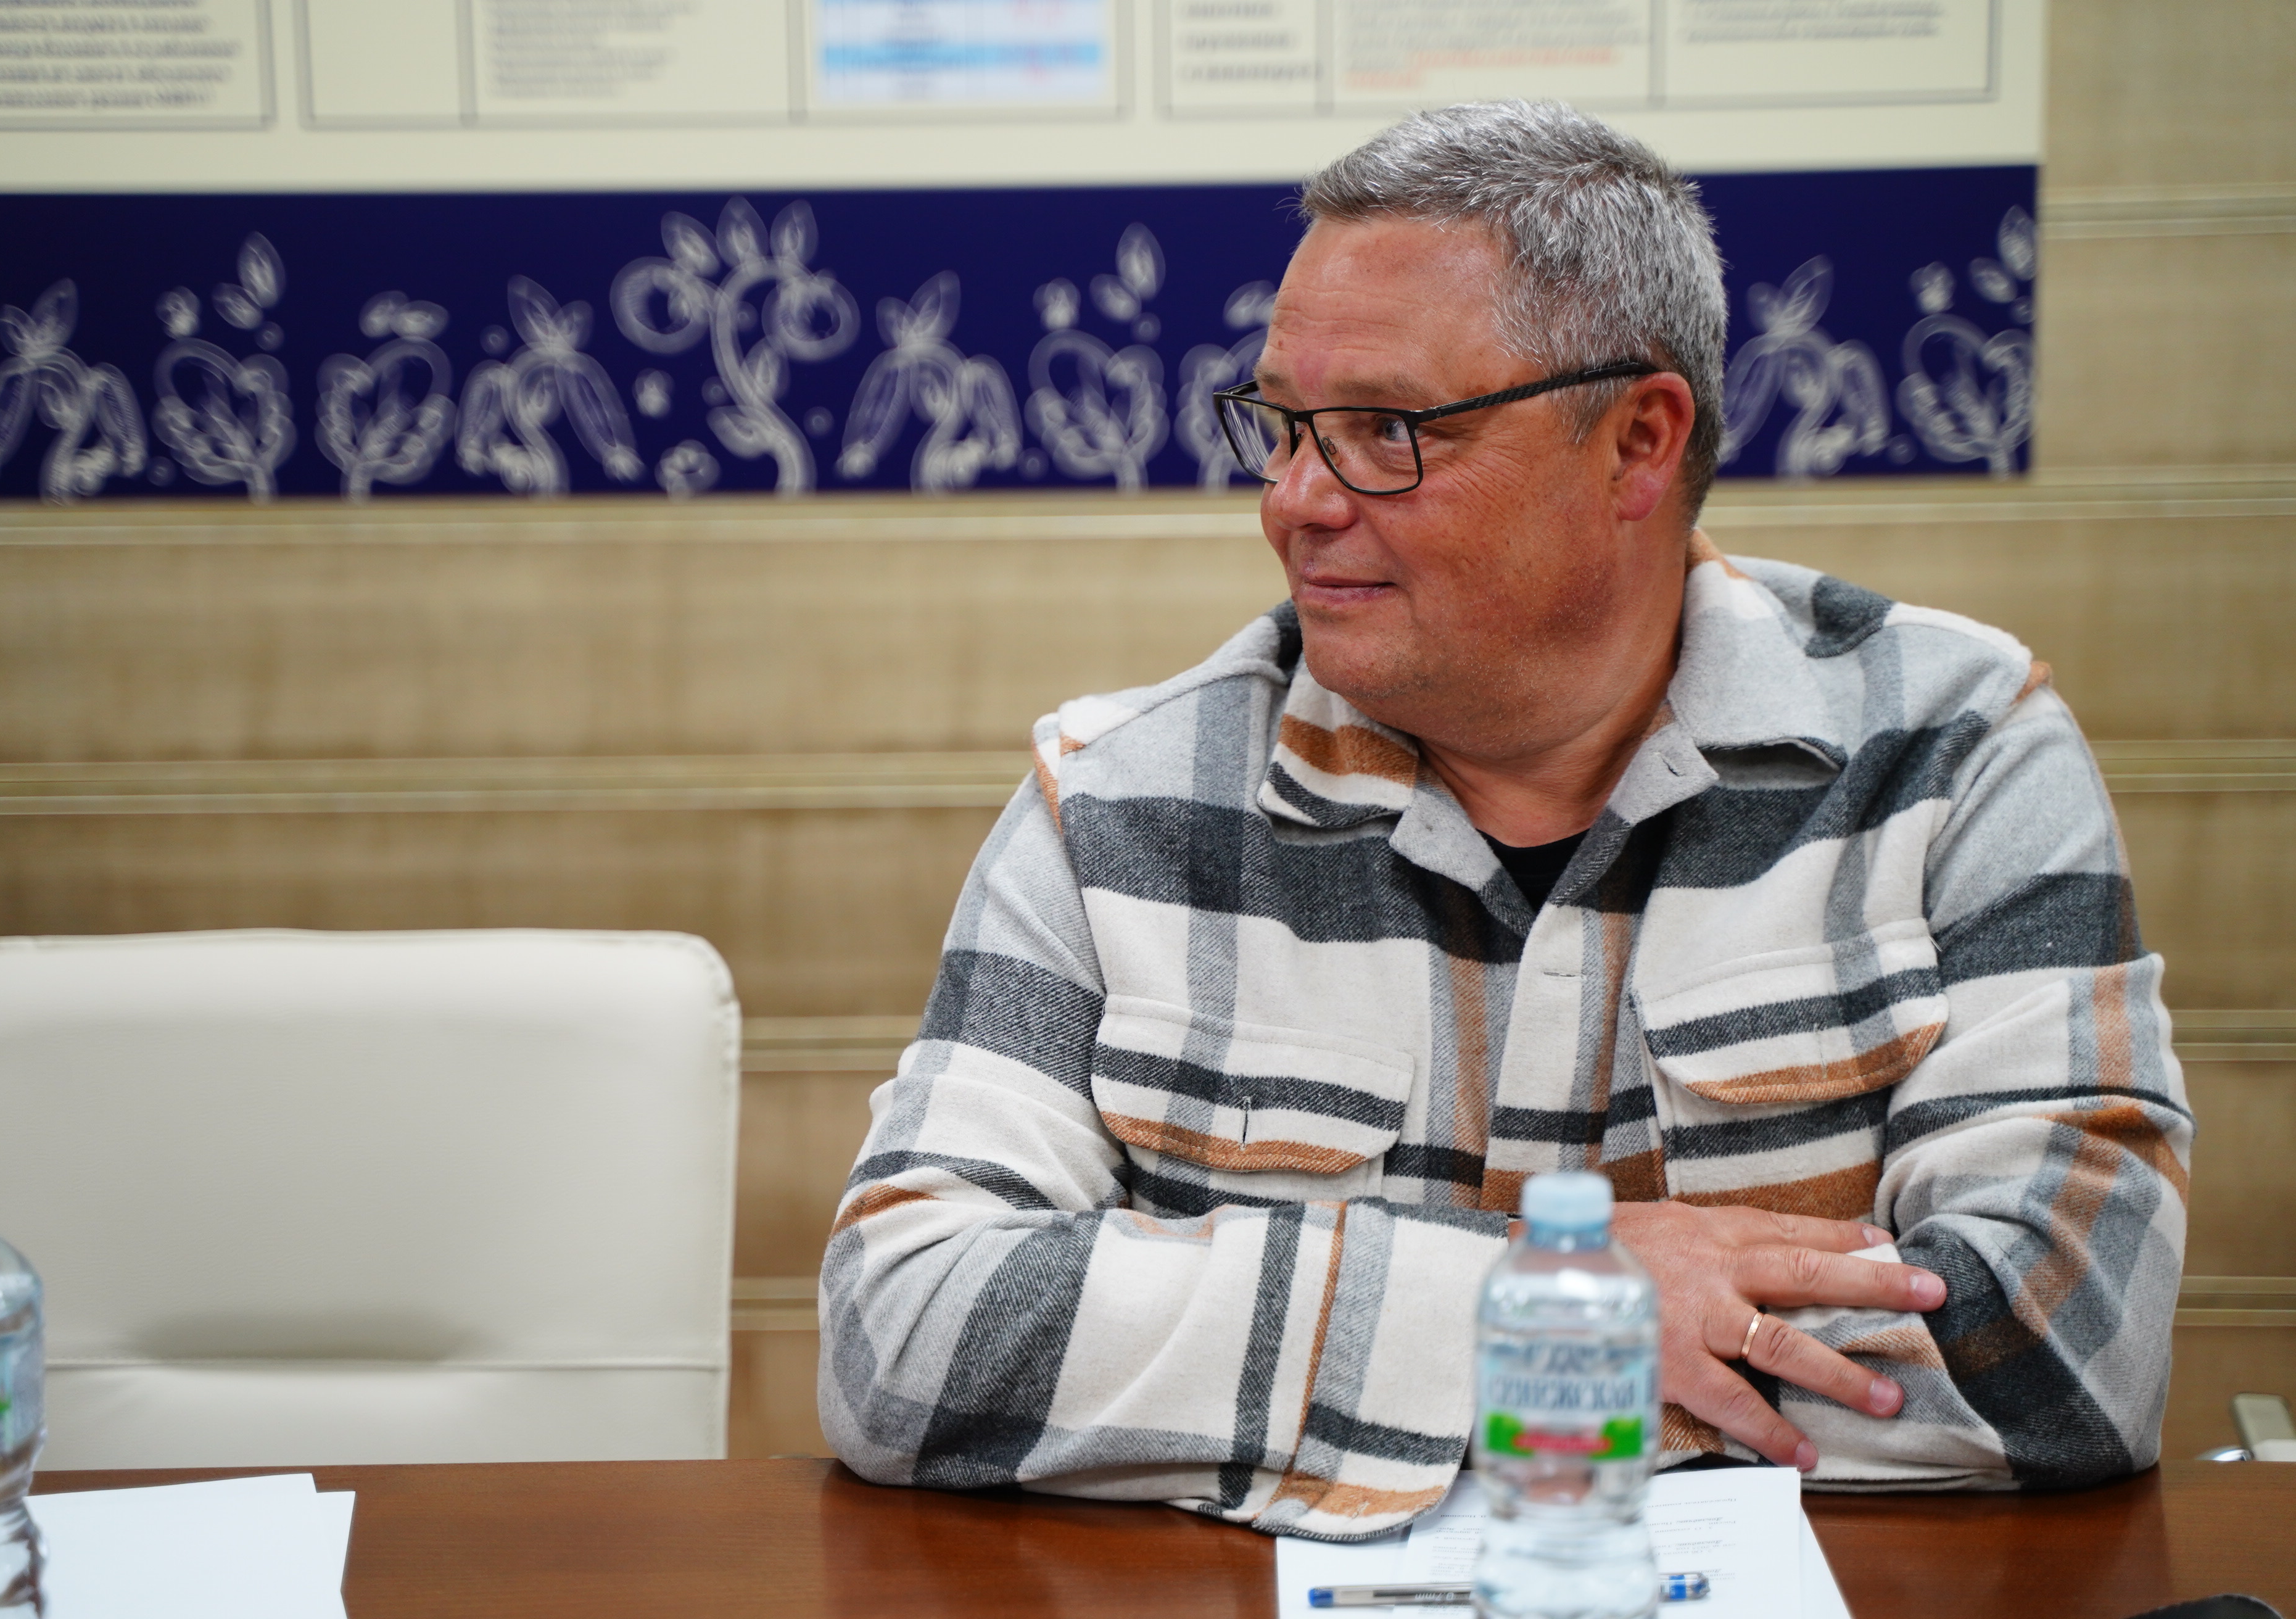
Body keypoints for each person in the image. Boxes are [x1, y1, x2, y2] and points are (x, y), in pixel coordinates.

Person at [817, 101, 2191, 1539]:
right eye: (1285, 426)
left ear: (1638, 442)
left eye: (1386, 431)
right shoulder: (1116, 801)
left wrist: (1288, 1354)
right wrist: (1524, 1307)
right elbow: (904, 1336)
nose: (1296, 502)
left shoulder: (1955, 755)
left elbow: (2061, 1345)